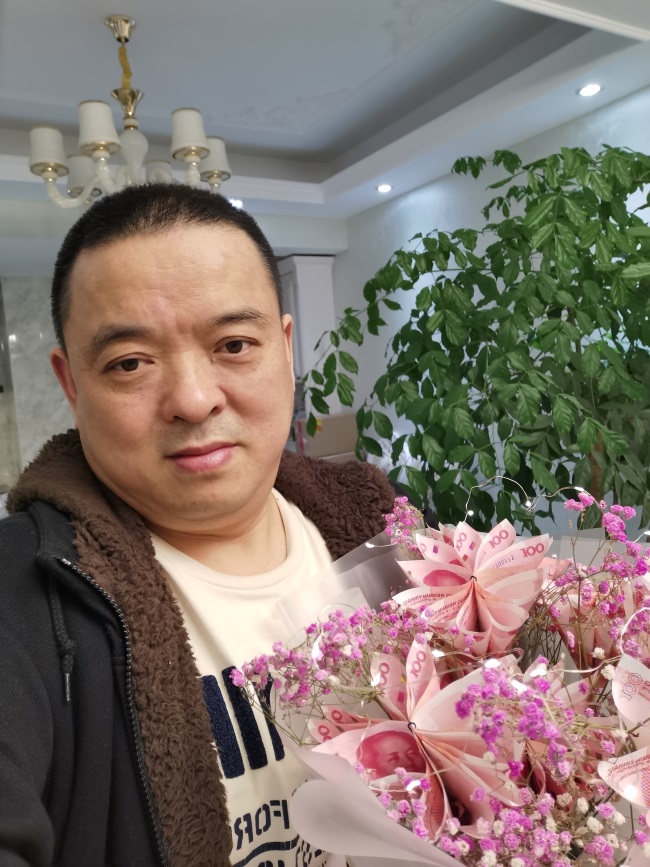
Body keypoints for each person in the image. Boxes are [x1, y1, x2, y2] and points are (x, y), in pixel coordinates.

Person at [0, 184, 397, 867]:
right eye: (130, 363)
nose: (192, 398)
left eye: (234, 344)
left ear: (285, 348)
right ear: (71, 384)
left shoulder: (382, 529)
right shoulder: (23, 595)